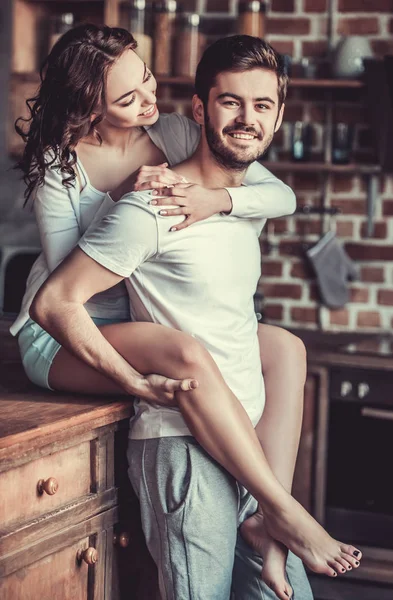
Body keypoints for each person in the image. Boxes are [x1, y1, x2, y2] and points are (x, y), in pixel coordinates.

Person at [29, 34, 362, 600]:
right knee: (184, 353)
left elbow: (279, 195)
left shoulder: (180, 142)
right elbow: (66, 293)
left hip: (221, 422)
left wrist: (217, 200)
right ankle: (286, 512)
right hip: (74, 329)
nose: (147, 99)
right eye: (128, 97)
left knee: (285, 348)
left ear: (279, 117)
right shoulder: (78, 178)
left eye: (148, 82)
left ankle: (270, 520)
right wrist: (131, 206)